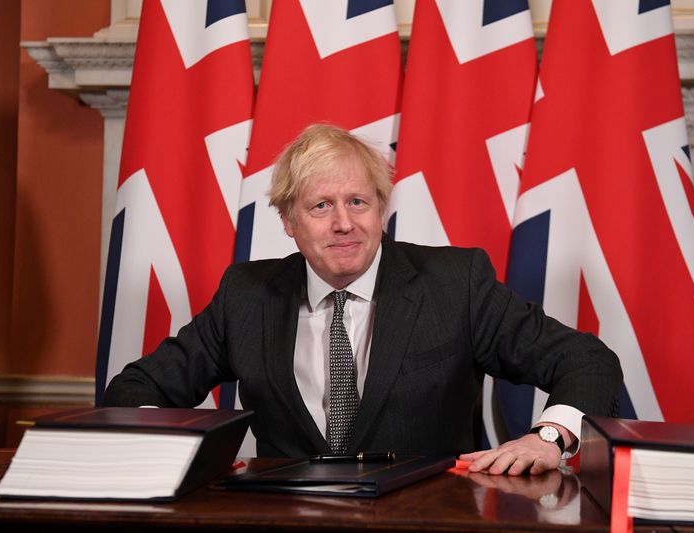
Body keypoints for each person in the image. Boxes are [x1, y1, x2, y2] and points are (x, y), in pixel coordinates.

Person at [104, 124, 622, 476]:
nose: (344, 223)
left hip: (426, 524)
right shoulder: (247, 294)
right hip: (286, 527)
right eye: (321, 205)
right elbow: (134, 390)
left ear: (381, 210)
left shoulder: (453, 282)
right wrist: (198, 458)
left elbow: (587, 361)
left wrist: (550, 438)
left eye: (358, 202)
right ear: (288, 222)